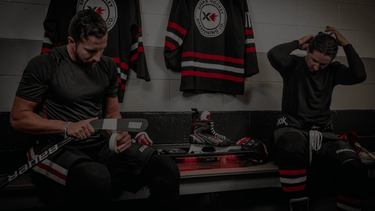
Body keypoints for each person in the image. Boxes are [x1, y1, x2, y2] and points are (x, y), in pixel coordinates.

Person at [10, 9, 180, 210]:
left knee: (165, 168)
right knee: (95, 176)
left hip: (97, 145)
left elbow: (111, 114)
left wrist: (119, 134)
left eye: (102, 49)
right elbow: (18, 118)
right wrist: (67, 127)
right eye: (91, 51)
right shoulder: (44, 64)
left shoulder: (107, 66)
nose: (98, 57)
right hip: (53, 147)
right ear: (72, 42)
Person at [267, 26, 368, 211]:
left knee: (356, 169)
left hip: (323, 135)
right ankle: (297, 206)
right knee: (291, 145)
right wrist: (298, 42)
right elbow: (273, 54)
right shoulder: (292, 64)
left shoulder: (333, 70)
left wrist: (346, 44)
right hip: (292, 129)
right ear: (308, 51)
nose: (316, 66)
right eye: (314, 60)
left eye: (323, 64)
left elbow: (359, 75)